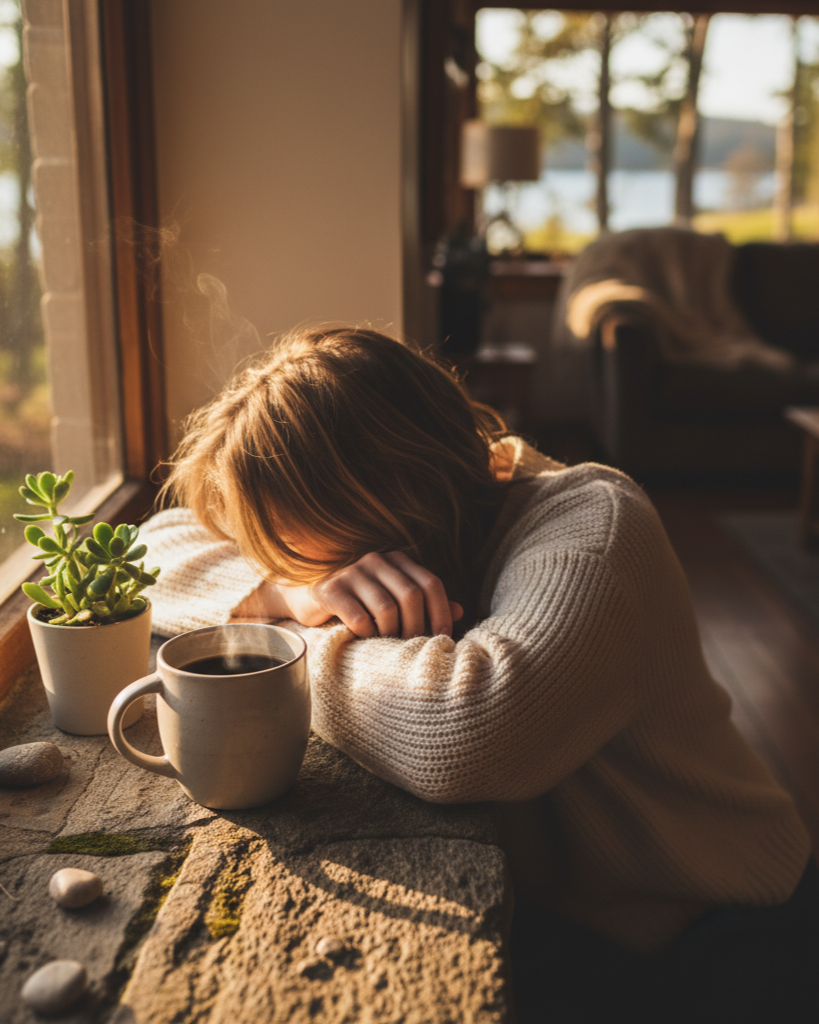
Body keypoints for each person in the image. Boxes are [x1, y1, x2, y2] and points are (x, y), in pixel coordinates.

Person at [141, 326, 816, 1023]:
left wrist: (279, 649)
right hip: (569, 921)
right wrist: (284, 592)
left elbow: (467, 728)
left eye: (336, 569)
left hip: (717, 925)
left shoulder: (593, 525)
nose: (332, 600)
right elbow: (150, 549)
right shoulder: (324, 540)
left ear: (411, 507)